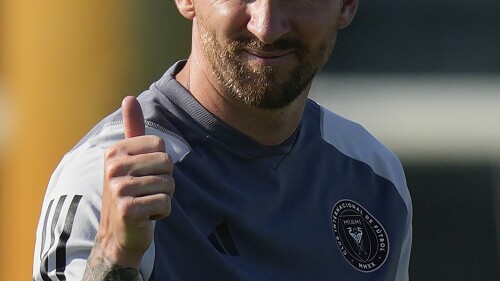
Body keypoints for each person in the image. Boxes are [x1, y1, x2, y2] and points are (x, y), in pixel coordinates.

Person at [33, 0, 412, 280]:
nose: (266, 27)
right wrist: (114, 257)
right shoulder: (108, 180)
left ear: (346, 6)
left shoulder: (375, 177)